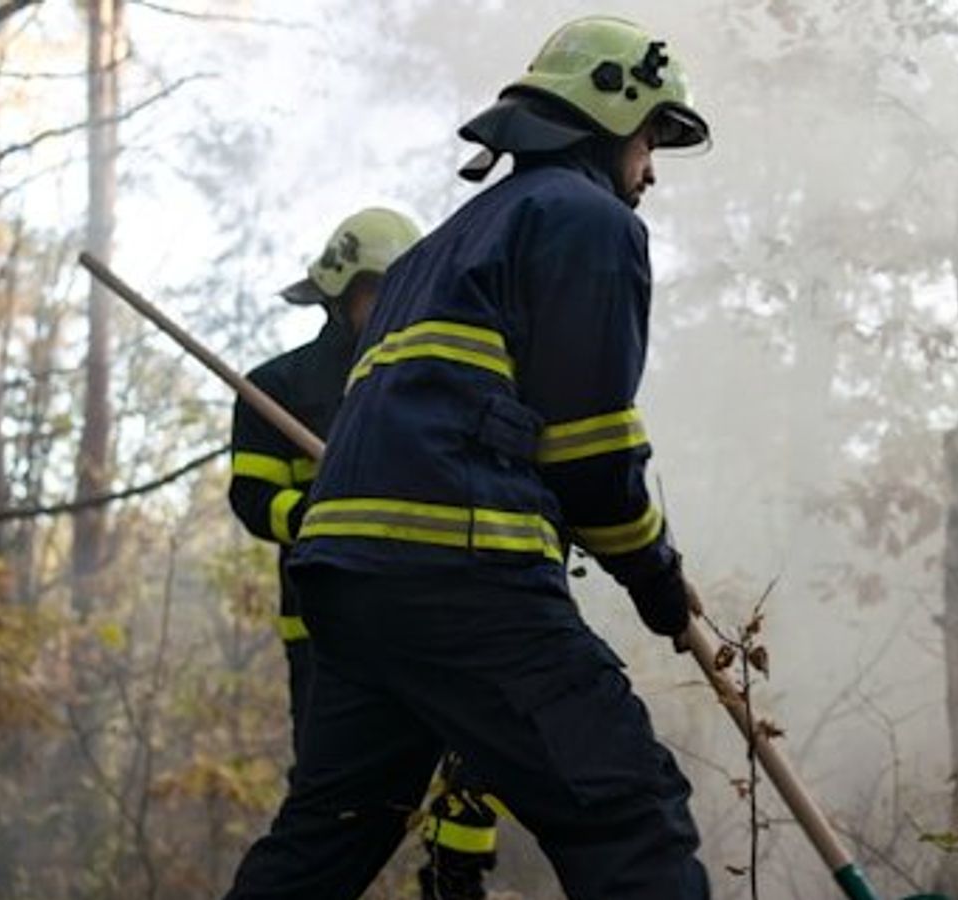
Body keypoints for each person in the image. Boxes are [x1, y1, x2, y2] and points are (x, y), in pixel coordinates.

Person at [271, 15, 714, 898]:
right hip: (462, 576)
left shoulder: (439, 247)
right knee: (629, 810)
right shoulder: (586, 220)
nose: (652, 169)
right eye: (651, 138)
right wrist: (660, 583)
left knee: (328, 837)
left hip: (349, 587)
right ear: (610, 112)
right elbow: (589, 449)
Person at [223, 208, 501, 899]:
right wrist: (329, 514)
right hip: (328, 633)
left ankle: (454, 879)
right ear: (340, 293)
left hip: (435, 615)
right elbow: (255, 502)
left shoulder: (437, 380)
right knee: (334, 802)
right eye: (376, 291)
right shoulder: (277, 389)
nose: (389, 307)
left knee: (476, 761)